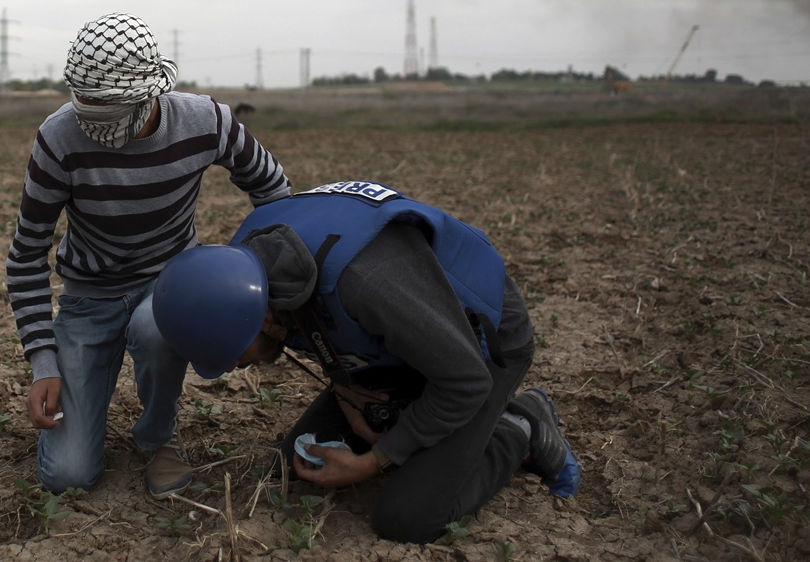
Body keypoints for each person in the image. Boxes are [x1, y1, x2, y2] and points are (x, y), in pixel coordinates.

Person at [151, 179, 580, 543]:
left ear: (260, 315)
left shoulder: (364, 280)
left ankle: (521, 424)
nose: (229, 368)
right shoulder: (247, 273)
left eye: (229, 354)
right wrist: (344, 386)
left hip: (479, 355)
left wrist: (374, 461)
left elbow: (464, 381)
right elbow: (315, 320)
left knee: (407, 518)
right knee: (295, 466)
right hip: (400, 340)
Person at [5, 12, 292, 498]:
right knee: (68, 477)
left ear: (149, 93)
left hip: (171, 283)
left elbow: (276, 194)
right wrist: (44, 365)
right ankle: (84, 415)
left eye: (107, 109)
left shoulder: (207, 121)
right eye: (85, 106)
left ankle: (159, 439)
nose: (91, 117)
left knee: (155, 328)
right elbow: (26, 255)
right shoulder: (58, 138)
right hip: (89, 297)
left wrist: (244, 274)